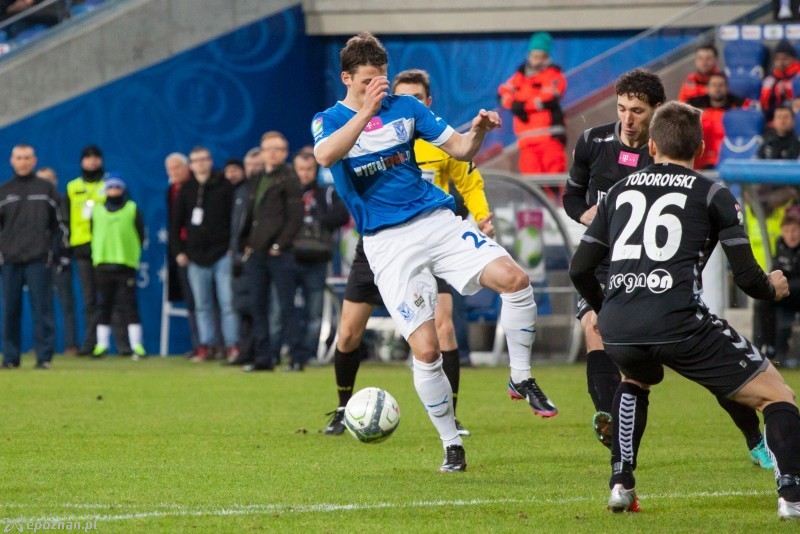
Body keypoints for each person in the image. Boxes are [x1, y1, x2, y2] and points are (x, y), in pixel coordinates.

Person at [313, 33, 555, 472]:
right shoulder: (328, 120)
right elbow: (327, 156)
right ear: (347, 78)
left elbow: (461, 149)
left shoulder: (407, 108)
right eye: (368, 81)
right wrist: (365, 110)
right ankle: (451, 445)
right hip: (386, 243)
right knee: (426, 350)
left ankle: (521, 376)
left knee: (515, 280)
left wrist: (478, 129)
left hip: (436, 221)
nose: (378, 89)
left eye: (381, 80)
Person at [569, 101, 800, 519]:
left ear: (651, 145)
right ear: (702, 146)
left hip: (620, 325)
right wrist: (774, 287)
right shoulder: (713, 193)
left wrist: (607, 310)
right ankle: (792, 496)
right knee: (778, 396)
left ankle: (621, 484)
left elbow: (580, 267)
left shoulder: (619, 191)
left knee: (635, 378)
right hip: (679, 322)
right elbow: (747, 278)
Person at [323, 68, 497, 438]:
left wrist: (481, 217)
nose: (407, 105)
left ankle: (452, 416)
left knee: (444, 328)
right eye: (402, 97)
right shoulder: (365, 131)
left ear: (426, 103)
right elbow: (330, 157)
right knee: (349, 333)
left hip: (430, 236)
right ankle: (342, 407)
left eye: (417, 99)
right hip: (380, 244)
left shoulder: (436, 138)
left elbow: (469, 179)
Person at [240, 132, 303, 372]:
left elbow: (295, 218)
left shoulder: (289, 178)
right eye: (268, 149)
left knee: (286, 306)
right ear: (262, 152)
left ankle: (297, 358)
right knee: (257, 306)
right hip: (256, 254)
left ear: (285, 152)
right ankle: (263, 358)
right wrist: (245, 241)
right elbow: (250, 214)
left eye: (278, 149)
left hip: (280, 254)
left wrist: (280, 245)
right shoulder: (256, 178)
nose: (273, 153)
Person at [0, 144, 67, 369]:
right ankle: (10, 359)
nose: (23, 162)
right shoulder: (4, 191)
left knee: (43, 311)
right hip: (10, 261)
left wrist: (54, 253)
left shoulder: (47, 190)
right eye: (19, 157)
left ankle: (44, 358)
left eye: (27, 157)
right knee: (10, 312)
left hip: (39, 259)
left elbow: (60, 226)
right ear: (12, 161)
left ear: (34, 160)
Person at [169, 146, 239, 361]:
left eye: (203, 159)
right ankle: (206, 346)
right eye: (196, 160)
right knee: (202, 305)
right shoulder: (186, 189)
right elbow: (175, 223)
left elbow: (235, 219)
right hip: (195, 256)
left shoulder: (224, 185)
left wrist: (231, 247)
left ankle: (232, 346)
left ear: (210, 161)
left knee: (228, 303)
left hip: (222, 254)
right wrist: (179, 251)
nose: (200, 163)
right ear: (191, 165)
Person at [287, 151, 349, 372]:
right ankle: (291, 351)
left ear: (315, 170)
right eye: (301, 169)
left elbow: (342, 215)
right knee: (286, 309)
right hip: (290, 257)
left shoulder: (326, 193)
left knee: (314, 311)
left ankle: (309, 353)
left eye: (309, 169)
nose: (304, 174)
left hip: (317, 259)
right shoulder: (288, 193)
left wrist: (317, 222)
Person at [66, 145, 130, 356]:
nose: (92, 162)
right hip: (83, 249)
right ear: (82, 162)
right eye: (88, 158)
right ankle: (91, 344)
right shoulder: (72, 187)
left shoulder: (110, 184)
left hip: (106, 249)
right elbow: (65, 219)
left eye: (96, 158)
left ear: (101, 161)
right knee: (89, 299)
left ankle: (122, 346)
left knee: (115, 299)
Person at [89, 175, 146, 360]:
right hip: (103, 264)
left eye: (117, 187)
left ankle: (137, 345)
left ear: (123, 190)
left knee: (130, 306)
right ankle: (102, 345)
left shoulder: (132, 209)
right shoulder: (97, 210)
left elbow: (140, 234)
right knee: (103, 306)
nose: (113, 190)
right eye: (110, 187)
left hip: (125, 264)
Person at [497, 32, 567, 176]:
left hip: (549, 137)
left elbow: (548, 98)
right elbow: (503, 93)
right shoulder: (519, 77)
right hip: (526, 141)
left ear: (546, 57)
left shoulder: (553, 74)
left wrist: (521, 105)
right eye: (534, 55)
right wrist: (514, 104)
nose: (536, 60)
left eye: (540, 56)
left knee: (553, 178)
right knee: (532, 183)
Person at [37, 166, 79, 355]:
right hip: (37, 261)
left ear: (56, 181)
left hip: (59, 261)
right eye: (42, 179)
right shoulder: (33, 205)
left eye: (49, 179)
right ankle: (44, 346)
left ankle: (71, 345)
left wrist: (63, 256)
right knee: (41, 306)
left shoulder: (63, 202)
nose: (46, 183)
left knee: (66, 304)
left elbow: (68, 230)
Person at [165, 152, 201, 357]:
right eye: (170, 170)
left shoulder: (197, 187)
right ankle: (198, 345)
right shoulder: (171, 190)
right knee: (191, 301)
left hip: (200, 250)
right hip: (181, 251)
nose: (173, 173)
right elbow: (173, 225)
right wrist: (177, 250)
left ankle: (213, 345)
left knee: (206, 301)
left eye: (177, 168)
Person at [686, 72, 746, 169]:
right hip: (700, 161)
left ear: (727, 88)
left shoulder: (740, 109)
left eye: (721, 85)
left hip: (727, 160)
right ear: (707, 88)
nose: (717, 89)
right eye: (714, 85)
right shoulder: (693, 108)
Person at [773, 209, 800, 368]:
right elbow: (776, 269)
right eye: (787, 231)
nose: (791, 235)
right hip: (788, 295)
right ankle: (768, 350)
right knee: (763, 302)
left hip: (793, 292)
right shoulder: (780, 244)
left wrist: (785, 285)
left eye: (794, 230)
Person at [761, 39, 800, 123]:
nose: (781, 62)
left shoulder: (798, 76)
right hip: (775, 120)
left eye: (785, 58)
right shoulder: (769, 80)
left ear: (793, 59)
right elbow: (765, 104)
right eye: (778, 59)